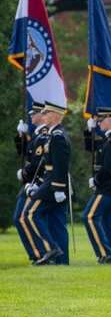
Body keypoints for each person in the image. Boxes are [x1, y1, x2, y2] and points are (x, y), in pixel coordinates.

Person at [25, 102, 71, 266]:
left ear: (55, 116)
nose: (42, 116)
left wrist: (58, 188)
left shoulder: (58, 136)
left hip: (55, 184)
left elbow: (60, 165)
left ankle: (50, 249)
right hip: (51, 182)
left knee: (30, 213)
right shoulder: (54, 135)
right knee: (57, 223)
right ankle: (62, 261)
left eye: (46, 113)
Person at [82, 106, 111, 264]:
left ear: (110, 119)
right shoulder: (108, 139)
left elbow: (107, 169)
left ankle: (106, 254)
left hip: (109, 187)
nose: (99, 123)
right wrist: (89, 132)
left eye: (101, 121)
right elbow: (91, 148)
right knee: (109, 222)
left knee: (89, 216)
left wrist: (96, 180)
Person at [14, 102, 48, 263]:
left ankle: (40, 253)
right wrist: (21, 136)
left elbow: (37, 162)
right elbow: (25, 153)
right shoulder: (35, 135)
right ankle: (36, 253)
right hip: (29, 182)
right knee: (19, 217)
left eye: (34, 113)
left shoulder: (43, 136)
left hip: (37, 181)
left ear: (42, 115)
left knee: (23, 217)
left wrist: (25, 174)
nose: (31, 116)